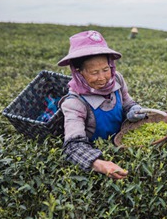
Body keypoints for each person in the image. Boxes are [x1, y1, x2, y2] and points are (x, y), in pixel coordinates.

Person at [57, 30, 147, 180]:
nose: (102, 78)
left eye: (106, 70)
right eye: (94, 72)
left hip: (124, 143)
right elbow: (73, 146)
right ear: (79, 73)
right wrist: (99, 164)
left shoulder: (117, 79)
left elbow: (127, 102)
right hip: (99, 154)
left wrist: (133, 110)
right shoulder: (74, 103)